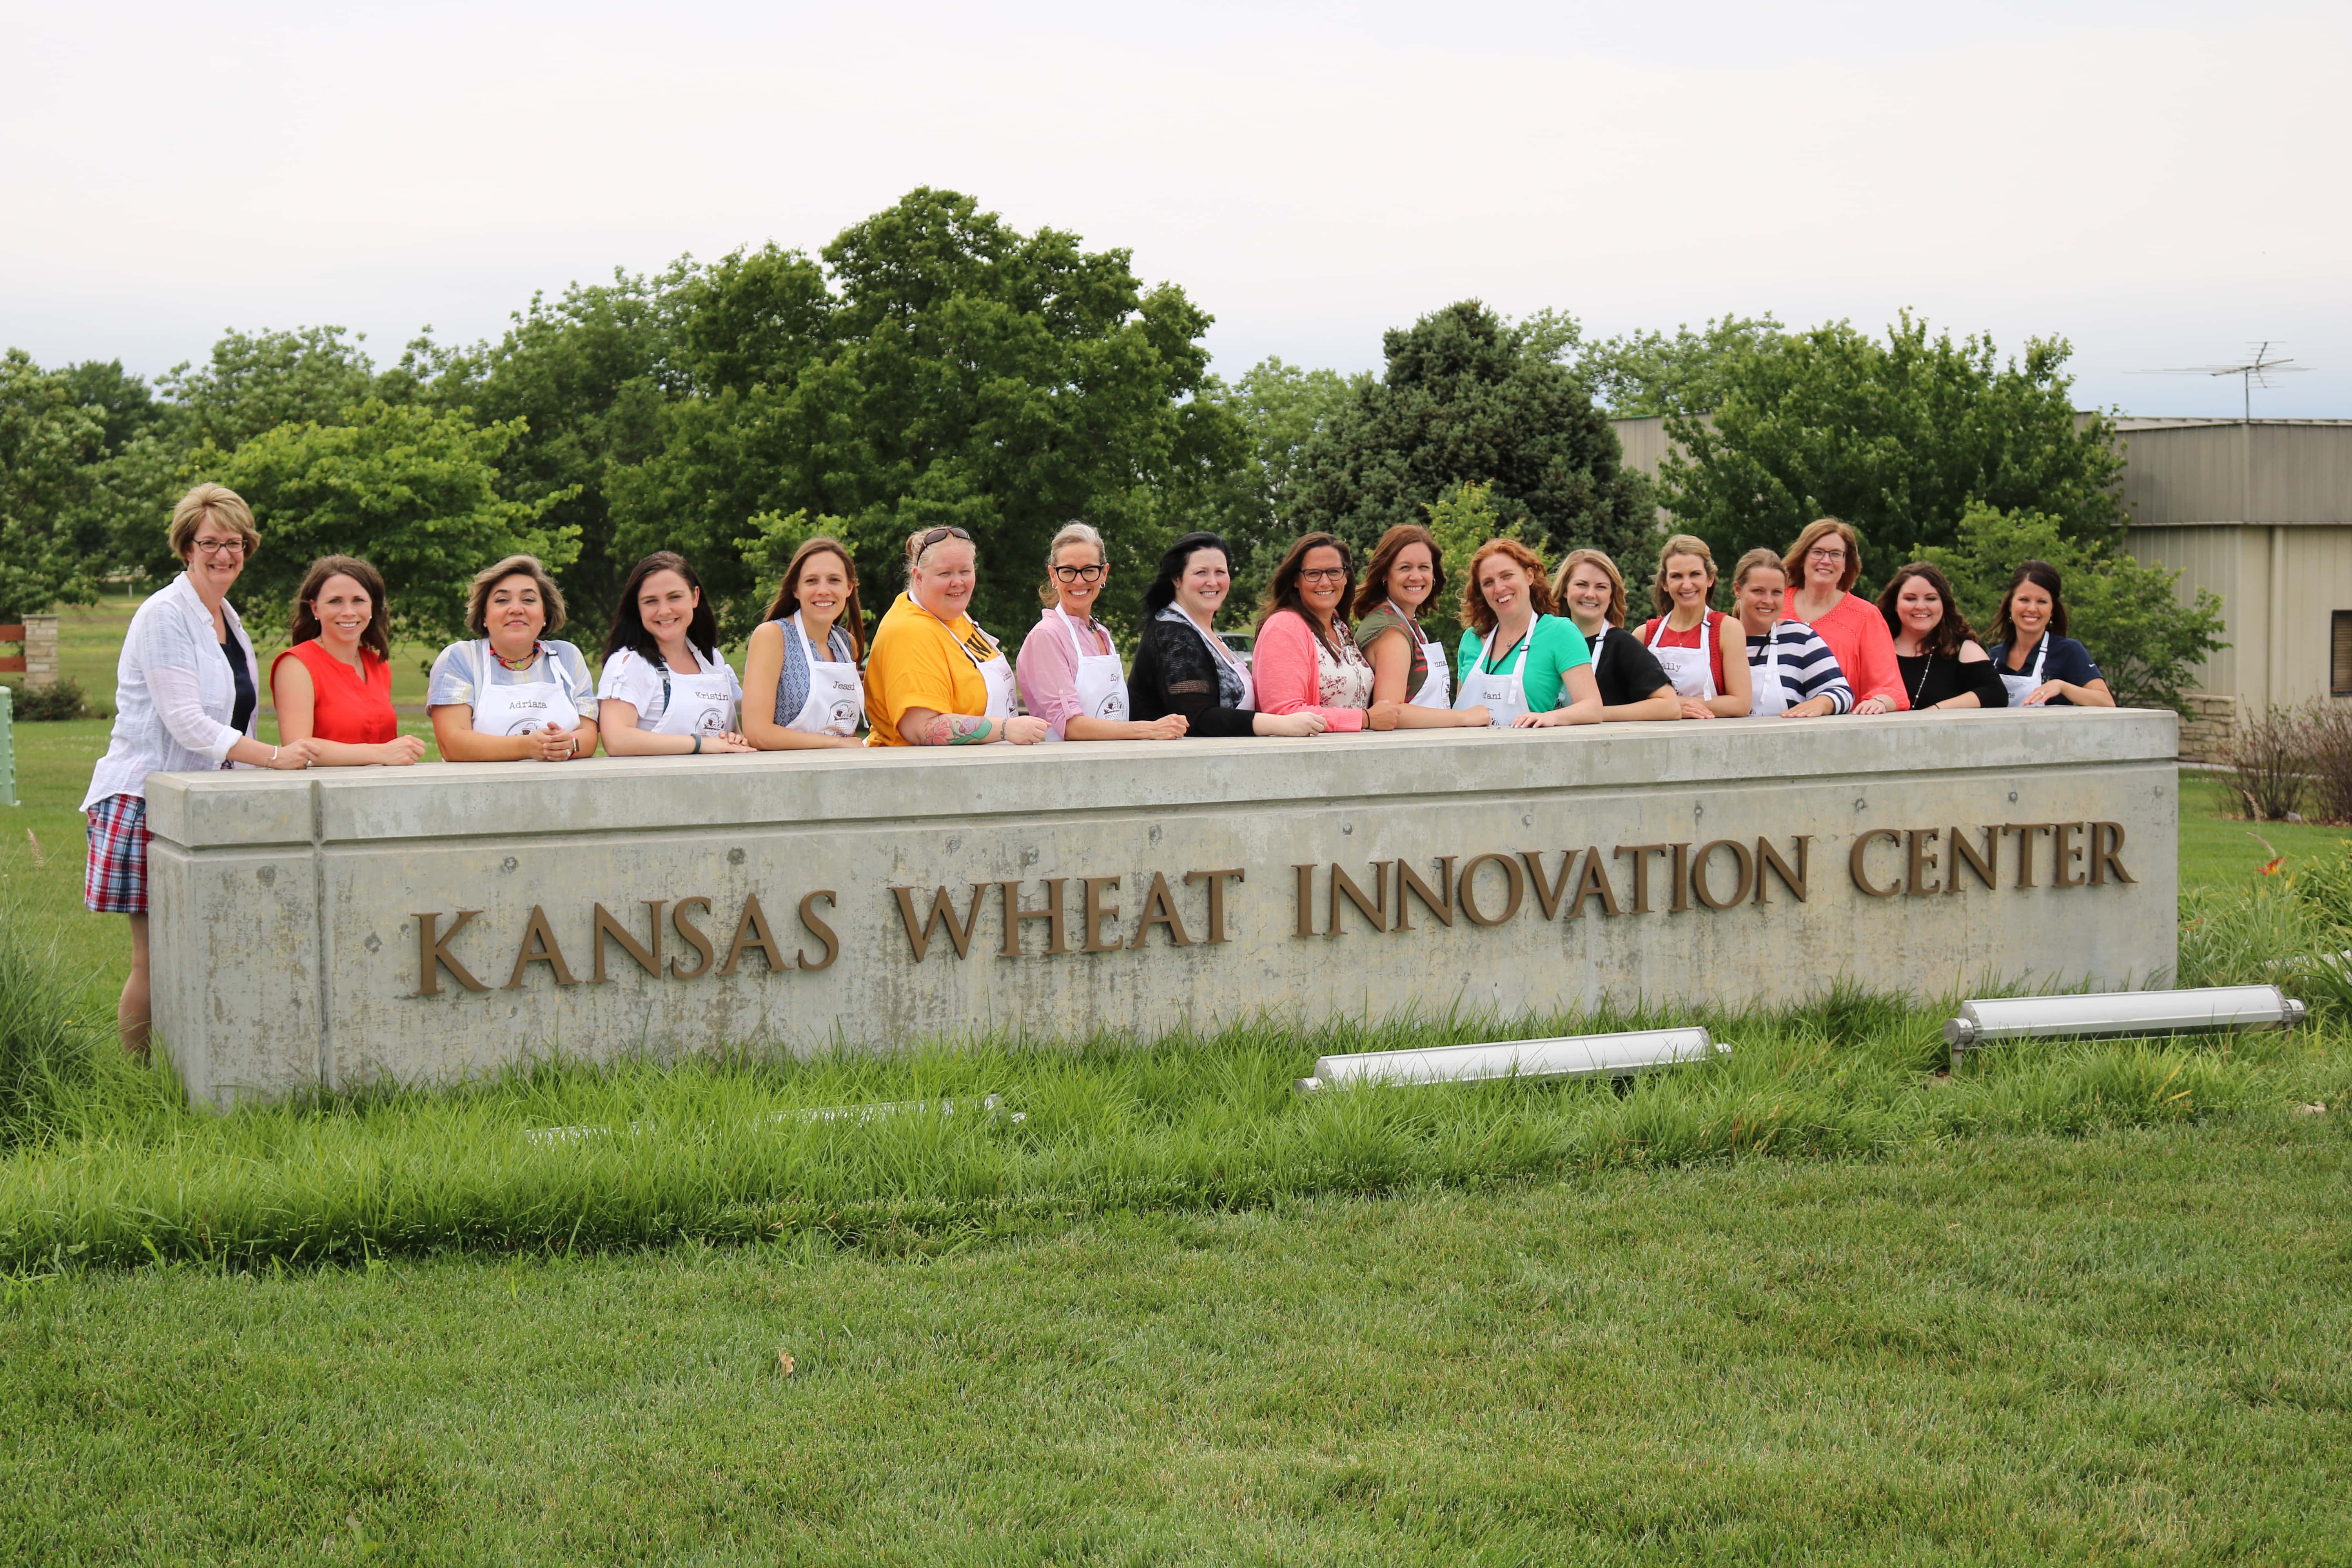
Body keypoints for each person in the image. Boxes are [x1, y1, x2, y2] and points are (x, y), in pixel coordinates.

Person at [82, 484, 318, 1056]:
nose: (224, 554)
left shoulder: (225, 616)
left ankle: (206, 1062)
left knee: (210, 945)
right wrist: (275, 758)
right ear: (186, 546)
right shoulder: (165, 614)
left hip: (208, 801)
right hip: (146, 801)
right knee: (156, 957)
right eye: (210, 541)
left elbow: (239, 716)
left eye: (235, 542)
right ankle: (140, 1080)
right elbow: (188, 724)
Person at [1127, 532, 1330, 739]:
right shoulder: (1173, 634)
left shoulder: (1201, 632)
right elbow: (1194, 717)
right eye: (1201, 573)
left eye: (1220, 572)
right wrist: (1279, 724)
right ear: (1177, 579)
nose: (1213, 582)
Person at [864, 526, 1050, 746]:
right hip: (923, 775)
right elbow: (922, 729)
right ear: (919, 577)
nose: (958, 583)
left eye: (965, 572)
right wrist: (1005, 729)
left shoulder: (952, 614)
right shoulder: (909, 632)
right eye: (945, 574)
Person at [1016, 522, 1186, 741]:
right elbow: (1069, 727)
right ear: (1053, 575)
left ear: (1104, 573)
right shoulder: (1047, 636)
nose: (1079, 581)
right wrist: (1149, 730)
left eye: (1089, 570)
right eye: (1068, 571)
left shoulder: (1101, 632)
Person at [426, 555, 601, 762]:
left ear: (545, 614)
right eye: (502, 601)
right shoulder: (460, 658)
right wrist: (528, 746)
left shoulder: (567, 657)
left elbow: (589, 736)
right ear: (484, 616)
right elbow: (453, 744)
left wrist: (569, 744)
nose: (517, 609)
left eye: (528, 600)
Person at [269, 555, 428, 764]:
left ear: (372, 607)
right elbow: (297, 747)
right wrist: (380, 753)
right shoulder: (296, 665)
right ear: (315, 608)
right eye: (335, 601)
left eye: (358, 601)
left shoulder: (378, 665)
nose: (348, 612)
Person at [595, 552, 753, 756]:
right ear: (638, 608)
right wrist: (699, 744)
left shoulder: (712, 661)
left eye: (675, 597)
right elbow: (617, 740)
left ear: (695, 597)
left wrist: (734, 739)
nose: (664, 611)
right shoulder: (628, 664)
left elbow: (731, 735)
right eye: (651, 601)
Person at [1351, 523, 1488, 729]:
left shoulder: (1406, 621)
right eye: (1405, 568)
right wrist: (1465, 718)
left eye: (1424, 567)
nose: (1416, 577)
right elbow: (1391, 712)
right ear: (1385, 574)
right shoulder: (1391, 632)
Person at [1455, 539, 1602, 728]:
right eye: (1488, 583)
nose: (1499, 589)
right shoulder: (1471, 639)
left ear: (1530, 576)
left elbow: (1593, 707)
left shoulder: (1560, 632)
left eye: (1507, 576)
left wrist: (1552, 717)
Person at [742, 536, 868, 750]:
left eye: (834, 580)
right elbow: (757, 733)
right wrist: (836, 743)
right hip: (788, 774)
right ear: (796, 590)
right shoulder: (773, 636)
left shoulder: (847, 644)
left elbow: (845, 726)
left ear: (849, 588)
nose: (823, 590)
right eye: (812, 581)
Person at [1252, 532, 1376, 731]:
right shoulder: (1284, 626)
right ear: (1295, 580)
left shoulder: (1338, 625)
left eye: (1334, 572)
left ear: (1346, 577)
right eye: (1313, 574)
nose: (1325, 582)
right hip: (1309, 758)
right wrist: (1364, 719)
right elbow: (1283, 712)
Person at [1782, 517, 1905, 713]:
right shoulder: (1774, 604)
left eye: (1836, 554)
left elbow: (1891, 689)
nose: (1826, 561)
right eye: (1818, 552)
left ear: (1847, 563)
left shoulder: (1866, 617)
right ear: (1802, 557)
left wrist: (1880, 702)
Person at [1552, 549, 1681, 722]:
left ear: (1611, 596)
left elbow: (1670, 706)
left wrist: (1592, 713)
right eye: (1581, 585)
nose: (1590, 594)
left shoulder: (1622, 644)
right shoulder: (1546, 640)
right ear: (1565, 590)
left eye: (1601, 587)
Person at [1635, 535, 1753, 719]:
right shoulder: (1644, 635)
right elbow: (1629, 698)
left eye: (1695, 574)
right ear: (1665, 584)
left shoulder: (1727, 630)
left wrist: (1671, 706)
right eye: (1677, 576)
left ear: (1710, 579)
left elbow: (1740, 704)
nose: (1687, 584)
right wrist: (1673, 709)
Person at [1728, 548, 1852, 718]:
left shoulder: (1800, 638)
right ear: (1738, 590)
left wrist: (1820, 703)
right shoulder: (1717, 638)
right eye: (1758, 591)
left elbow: (1842, 693)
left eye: (1777, 592)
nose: (1768, 601)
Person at [1878, 562, 2007, 712]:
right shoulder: (1875, 645)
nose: (1920, 606)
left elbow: (1996, 693)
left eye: (1931, 599)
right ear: (1895, 604)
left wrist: (1936, 710)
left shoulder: (1961, 648)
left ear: (1944, 604)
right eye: (1910, 599)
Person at [1987, 560, 2116, 708]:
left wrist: (2062, 687)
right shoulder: (1994, 657)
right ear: (2010, 605)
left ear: (2052, 610)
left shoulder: (2068, 651)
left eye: (2042, 602)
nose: (2032, 608)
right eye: (2024, 600)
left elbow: (2106, 702)